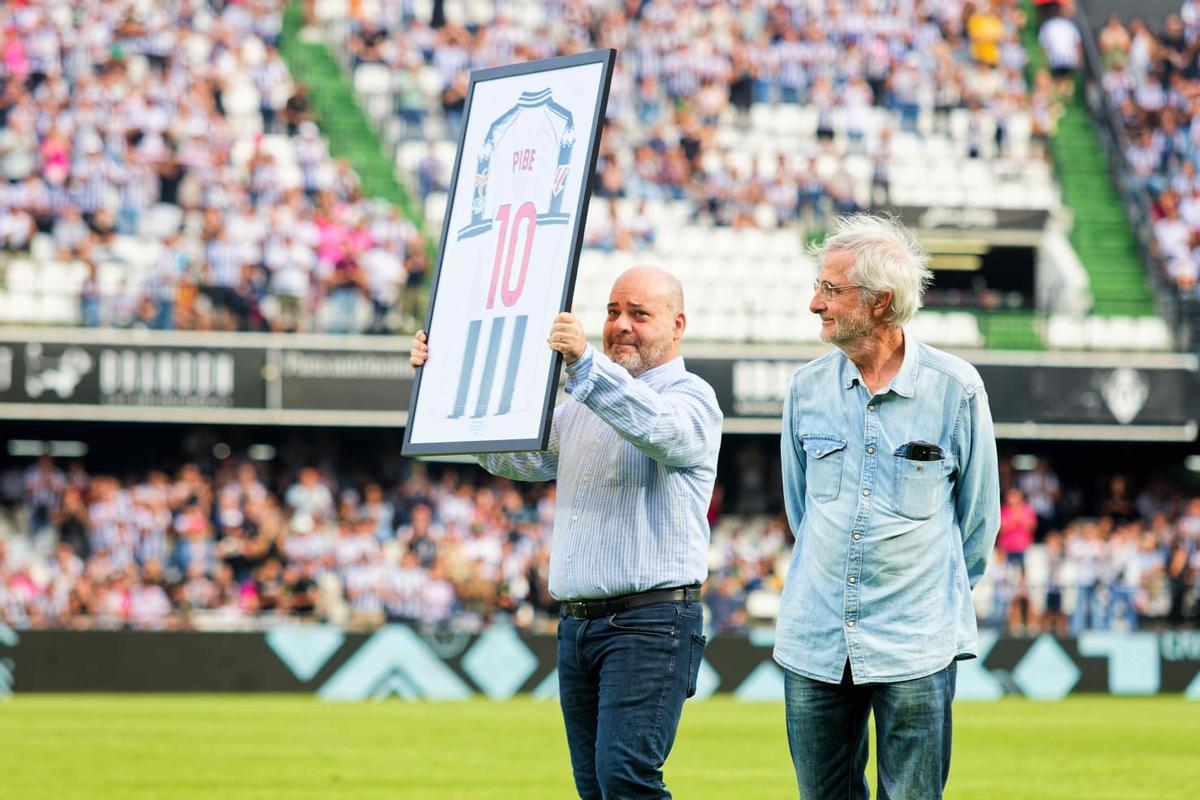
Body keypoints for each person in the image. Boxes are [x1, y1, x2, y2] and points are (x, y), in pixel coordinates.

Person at [409, 266, 722, 799]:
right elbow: (515, 456)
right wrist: (441, 384)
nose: (621, 325)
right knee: (596, 788)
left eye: (639, 314)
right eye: (613, 311)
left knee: (627, 778)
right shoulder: (581, 401)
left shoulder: (692, 398)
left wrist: (584, 365)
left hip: (649, 620)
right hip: (578, 624)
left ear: (678, 324)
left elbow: (658, 430)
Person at [775, 214, 1000, 799]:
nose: (814, 303)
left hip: (915, 644)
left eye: (830, 289)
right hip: (816, 640)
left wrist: (926, 600)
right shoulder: (804, 389)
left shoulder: (957, 389)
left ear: (879, 302)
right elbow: (802, 514)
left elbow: (978, 524)